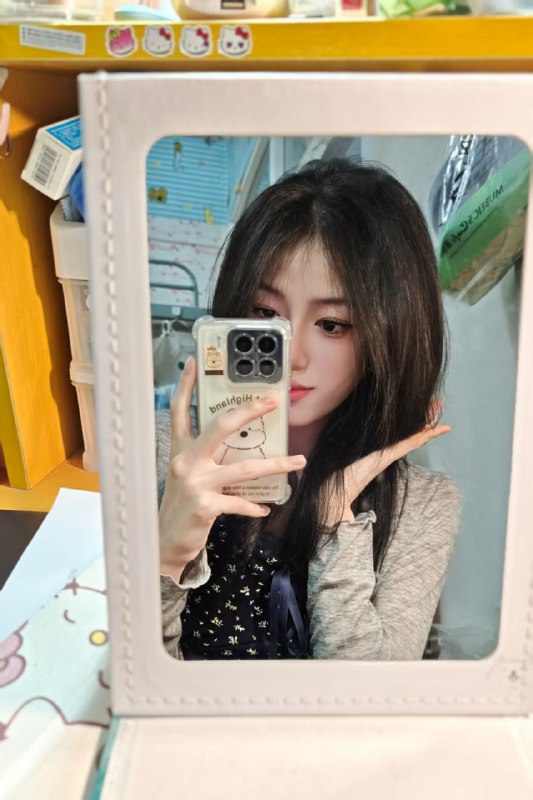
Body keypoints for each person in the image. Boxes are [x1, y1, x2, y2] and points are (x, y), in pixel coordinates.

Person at [157, 158, 462, 661]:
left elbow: (368, 702)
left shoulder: (423, 505)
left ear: (391, 335)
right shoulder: (166, 454)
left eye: (332, 325)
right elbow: (130, 682)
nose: (292, 355)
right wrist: (166, 555)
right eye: (265, 313)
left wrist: (335, 522)